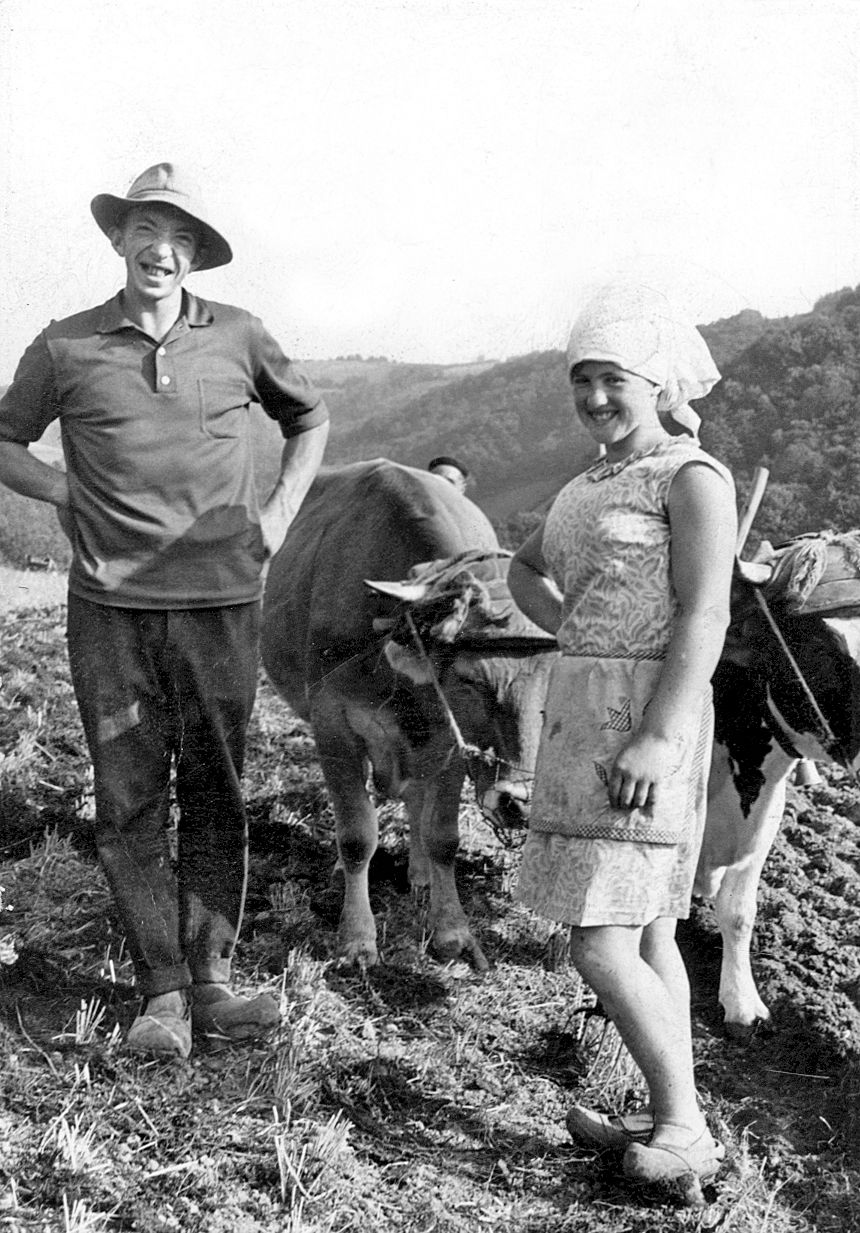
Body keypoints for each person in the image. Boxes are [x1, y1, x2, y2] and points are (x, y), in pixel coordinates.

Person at [0, 163, 329, 1059]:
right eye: (147, 228)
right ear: (119, 239)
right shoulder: (64, 346)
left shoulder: (241, 336)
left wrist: (277, 517)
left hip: (223, 602)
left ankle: (214, 980)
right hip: (110, 607)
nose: (162, 248)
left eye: (180, 236)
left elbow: (312, 420)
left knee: (218, 788)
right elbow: (3, 439)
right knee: (129, 796)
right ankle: (162, 993)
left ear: (196, 255)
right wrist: (65, 490)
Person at [508, 285, 736, 1187]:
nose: (595, 398)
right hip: (581, 716)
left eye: (613, 380)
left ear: (660, 382)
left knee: (597, 942)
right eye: (582, 382)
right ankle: (665, 1110)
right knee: (645, 940)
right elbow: (526, 569)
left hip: (648, 719)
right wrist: (576, 638)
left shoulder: (691, 475)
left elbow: (707, 615)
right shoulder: (586, 482)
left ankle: (685, 1125)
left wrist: (657, 733)